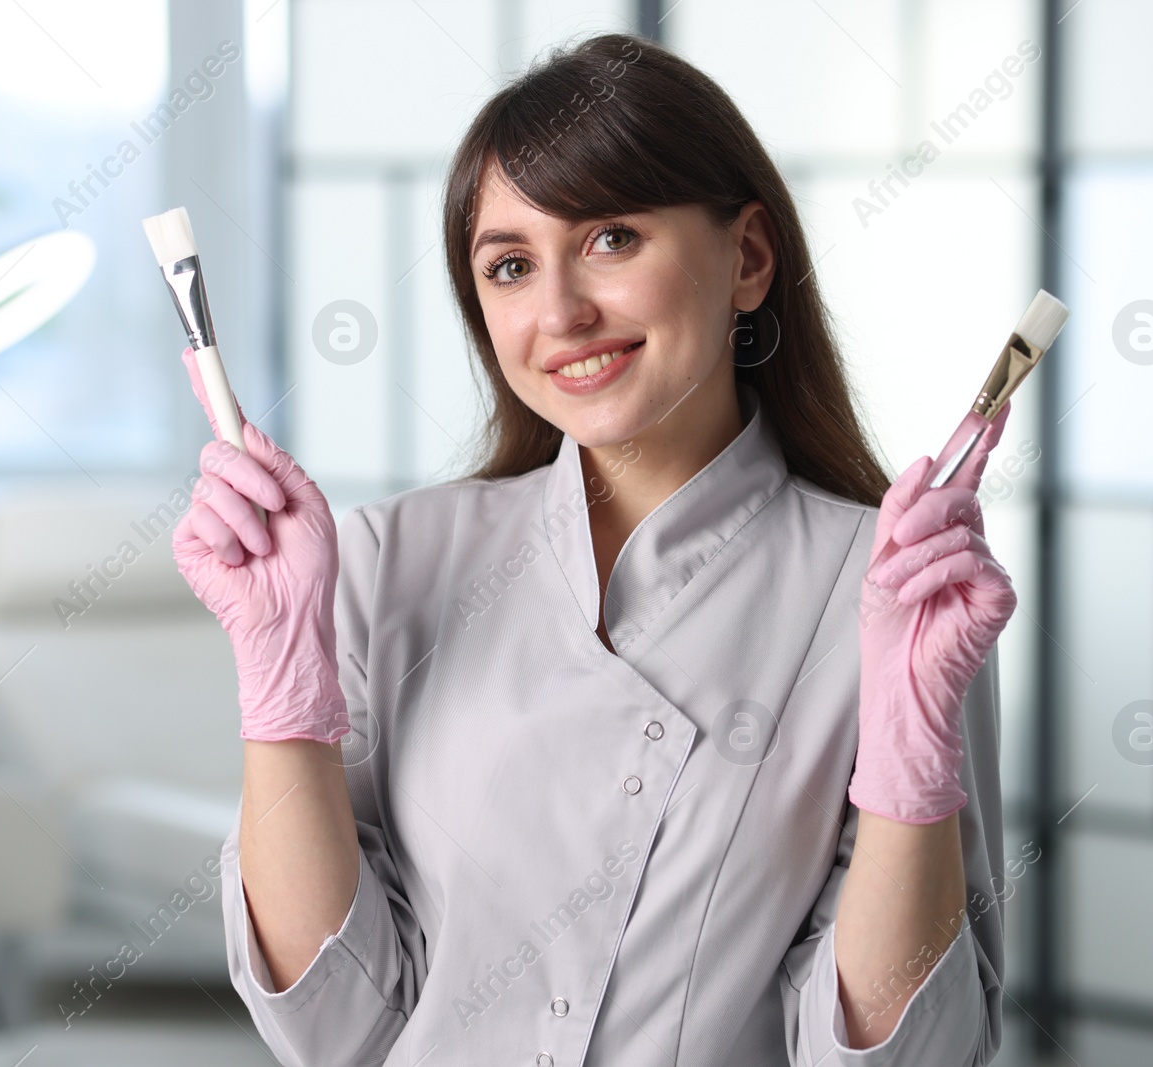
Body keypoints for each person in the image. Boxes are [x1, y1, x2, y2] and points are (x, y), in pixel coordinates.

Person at [173, 33, 1014, 1067]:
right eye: (511, 265)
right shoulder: (391, 558)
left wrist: (907, 764)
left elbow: (908, 1055)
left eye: (612, 238)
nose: (561, 312)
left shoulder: (888, 594)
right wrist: (278, 681)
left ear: (747, 259)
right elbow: (333, 1022)